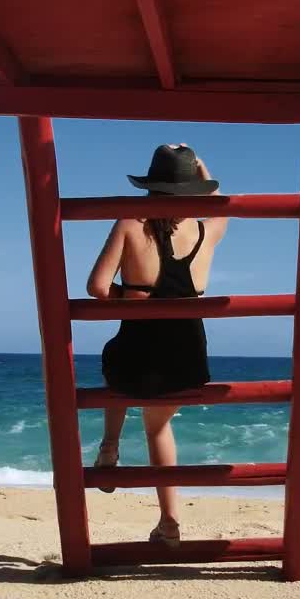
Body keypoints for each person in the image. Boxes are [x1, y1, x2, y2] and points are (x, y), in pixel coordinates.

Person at [85, 143, 228, 547]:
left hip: (139, 348)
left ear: (151, 186)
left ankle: (109, 447)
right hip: (187, 352)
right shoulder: (205, 228)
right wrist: (202, 167)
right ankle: (169, 523)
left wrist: (131, 297)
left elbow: (95, 287)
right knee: (159, 427)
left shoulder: (131, 223)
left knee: (116, 358)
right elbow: (222, 203)